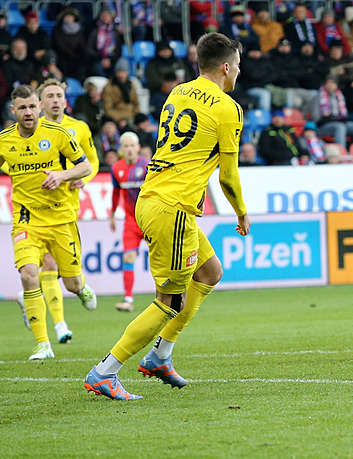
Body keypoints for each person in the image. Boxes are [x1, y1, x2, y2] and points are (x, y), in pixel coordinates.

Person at [84, 32, 251, 400]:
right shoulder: (228, 108)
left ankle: (160, 355)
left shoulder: (178, 92)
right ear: (226, 67)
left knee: (209, 272)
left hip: (153, 197)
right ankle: (106, 371)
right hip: (172, 209)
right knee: (168, 301)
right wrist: (241, 212)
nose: (238, 72)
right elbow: (228, 175)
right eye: (237, 65)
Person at [0, 84, 95, 360]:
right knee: (29, 275)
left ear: (39, 107)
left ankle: (82, 287)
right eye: (22, 108)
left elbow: (86, 166)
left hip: (61, 218)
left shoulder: (58, 134)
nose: (28, 112)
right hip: (26, 221)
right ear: (13, 110)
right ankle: (43, 344)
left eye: (32, 106)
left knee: (72, 284)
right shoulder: (4, 140)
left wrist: (61, 176)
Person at [109, 132, 150, 312]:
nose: (129, 149)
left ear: (138, 148)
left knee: (161, 258)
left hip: (149, 219)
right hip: (131, 222)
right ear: (121, 149)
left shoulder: (148, 166)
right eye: (125, 146)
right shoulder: (116, 168)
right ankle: (128, 298)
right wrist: (112, 214)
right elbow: (116, 192)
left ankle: (169, 294)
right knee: (127, 257)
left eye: (132, 145)